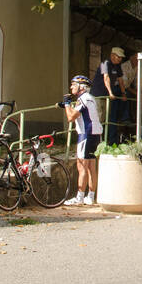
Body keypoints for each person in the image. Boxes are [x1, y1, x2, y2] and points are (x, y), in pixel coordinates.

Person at [62, 74, 102, 205]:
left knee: (82, 166)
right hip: (95, 134)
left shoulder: (82, 99)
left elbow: (71, 117)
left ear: (81, 87)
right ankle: (90, 196)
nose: (71, 87)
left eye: (73, 84)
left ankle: (79, 198)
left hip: (86, 134)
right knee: (91, 166)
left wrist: (67, 104)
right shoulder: (90, 98)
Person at [93, 46, 131, 145]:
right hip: (98, 95)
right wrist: (110, 92)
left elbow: (120, 80)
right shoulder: (105, 64)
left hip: (107, 97)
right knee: (99, 117)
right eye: (118, 57)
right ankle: (96, 142)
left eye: (121, 57)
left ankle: (104, 141)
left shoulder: (118, 66)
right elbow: (106, 78)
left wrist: (124, 94)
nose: (120, 59)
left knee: (106, 118)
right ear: (112, 55)